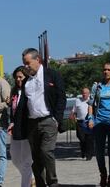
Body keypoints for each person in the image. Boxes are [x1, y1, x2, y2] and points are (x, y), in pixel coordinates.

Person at [21, 48, 66, 187]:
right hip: (32, 124)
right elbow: (24, 103)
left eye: (28, 63)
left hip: (48, 120)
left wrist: (56, 119)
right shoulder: (26, 81)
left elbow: (61, 97)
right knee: (36, 157)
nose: (26, 66)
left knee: (46, 151)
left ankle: (53, 182)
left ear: (38, 60)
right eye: (24, 63)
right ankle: (40, 183)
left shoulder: (52, 75)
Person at [87, 61, 110, 187]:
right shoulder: (97, 86)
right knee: (99, 152)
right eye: (104, 69)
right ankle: (103, 174)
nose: (106, 72)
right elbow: (90, 104)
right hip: (99, 122)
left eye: (109, 69)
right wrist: (90, 118)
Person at [7, 66, 34, 187]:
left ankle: (26, 184)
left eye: (20, 77)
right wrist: (11, 122)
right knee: (15, 158)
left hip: (27, 129)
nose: (18, 79)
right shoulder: (13, 91)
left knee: (26, 161)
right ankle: (32, 178)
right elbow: (12, 110)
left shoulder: (29, 90)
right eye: (16, 77)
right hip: (16, 129)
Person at [70, 87, 94, 160]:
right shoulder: (78, 101)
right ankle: (83, 152)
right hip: (80, 122)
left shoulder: (92, 101)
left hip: (89, 122)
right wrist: (73, 117)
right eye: (83, 93)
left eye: (86, 93)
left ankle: (89, 155)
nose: (84, 94)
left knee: (89, 139)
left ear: (89, 94)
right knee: (82, 138)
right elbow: (74, 111)